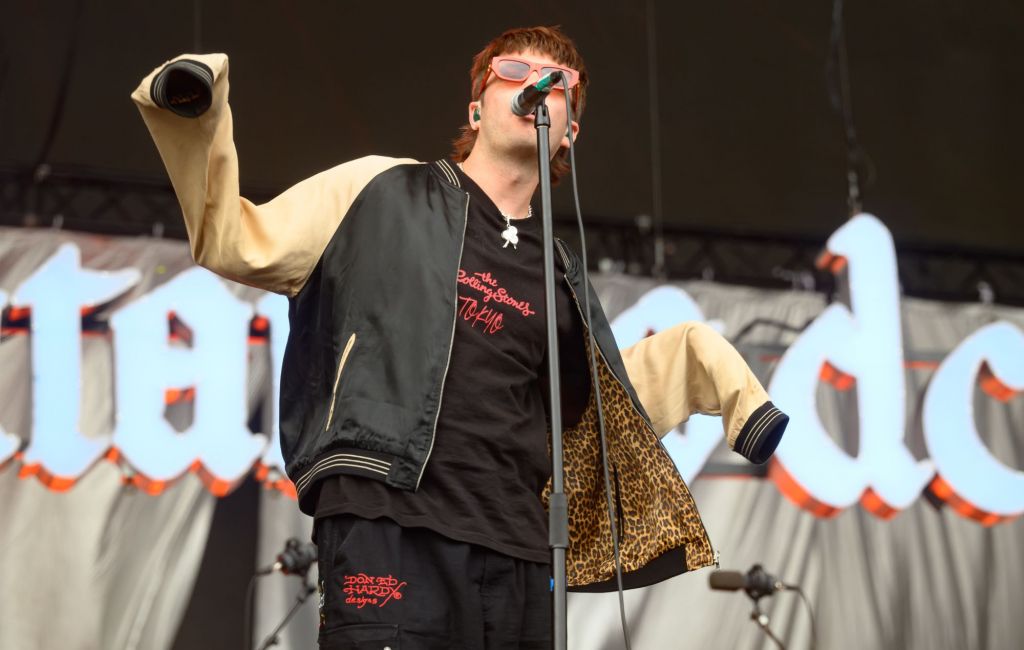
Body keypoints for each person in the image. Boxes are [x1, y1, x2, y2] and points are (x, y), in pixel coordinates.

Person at [132, 25, 788, 650]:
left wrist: (711, 368)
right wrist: (197, 114)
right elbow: (236, 240)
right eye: (514, 72)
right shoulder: (380, 190)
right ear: (476, 109)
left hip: (522, 556)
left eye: (556, 81)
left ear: (569, 133)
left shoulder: (561, 272)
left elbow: (600, 411)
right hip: (387, 520)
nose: (535, 83)